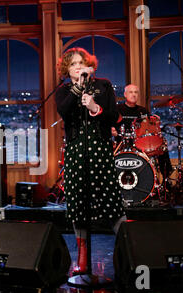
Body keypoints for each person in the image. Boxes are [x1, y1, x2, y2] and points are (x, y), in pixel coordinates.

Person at [55, 47, 126, 274]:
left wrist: (95, 107)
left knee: (111, 201)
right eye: (72, 64)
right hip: (76, 152)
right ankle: (83, 260)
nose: (77, 67)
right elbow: (64, 111)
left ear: (89, 66)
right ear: (67, 69)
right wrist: (77, 89)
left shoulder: (103, 85)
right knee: (78, 204)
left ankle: (130, 251)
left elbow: (115, 116)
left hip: (101, 149)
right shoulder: (65, 90)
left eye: (80, 63)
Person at [114, 84, 173, 184]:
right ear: (125, 94)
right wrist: (113, 131)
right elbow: (111, 126)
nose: (133, 95)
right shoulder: (118, 109)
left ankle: (166, 180)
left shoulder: (143, 111)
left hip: (141, 145)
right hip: (122, 144)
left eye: (136, 92)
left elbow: (149, 128)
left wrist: (155, 122)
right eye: (131, 92)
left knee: (161, 146)